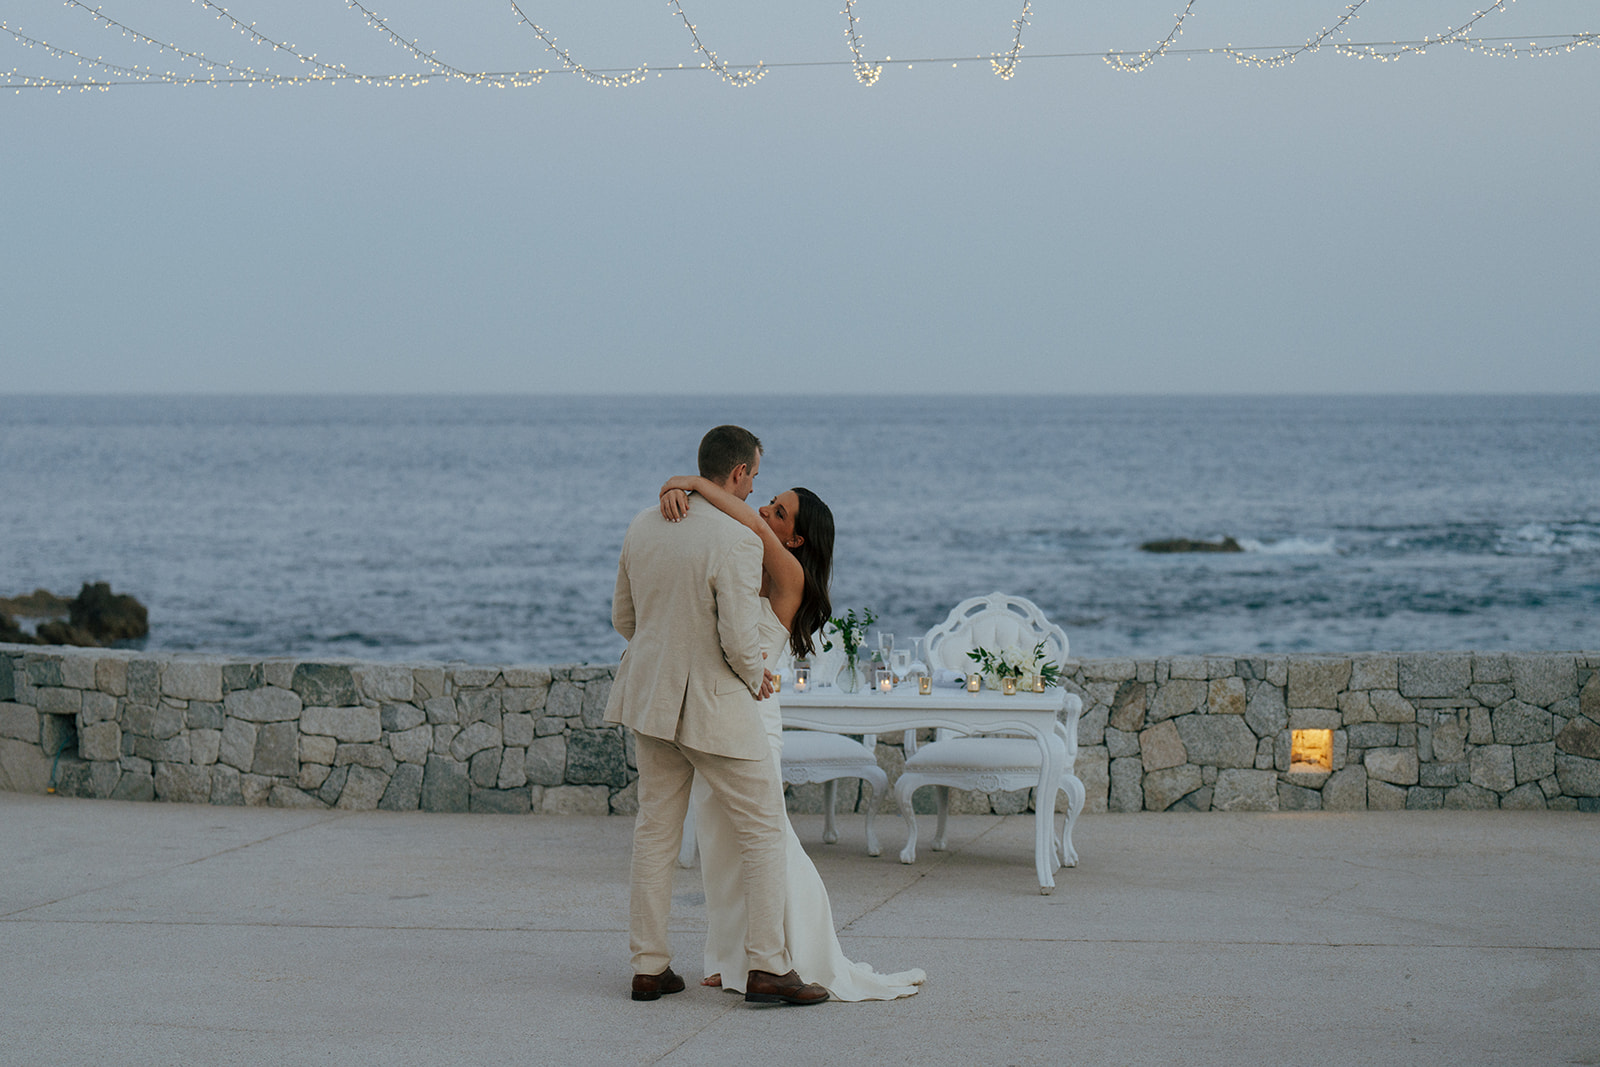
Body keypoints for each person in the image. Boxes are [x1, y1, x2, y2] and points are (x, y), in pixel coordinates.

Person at [658, 472, 927, 1001]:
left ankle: (794, 953)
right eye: (770, 502)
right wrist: (678, 497)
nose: (764, 512)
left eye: (778, 512)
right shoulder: (744, 555)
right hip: (714, 715)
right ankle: (728, 958)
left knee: (767, 843)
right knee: (718, 842)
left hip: (755, 722)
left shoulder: (787, 575)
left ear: (795, 539)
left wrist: (688, 483)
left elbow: (739, 518)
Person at [604, 425, 829, 1007]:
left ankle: (649, 967)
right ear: (737, 475)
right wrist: (757, 678)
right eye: (755, 476)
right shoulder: (735, 541)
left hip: (650, 700)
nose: (757, 489)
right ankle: (768, 967)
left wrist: (683, 485)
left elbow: (624, 619)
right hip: (717, 703)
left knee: (654, 832)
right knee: (761, 828)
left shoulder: (642, 524)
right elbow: (736, 640)